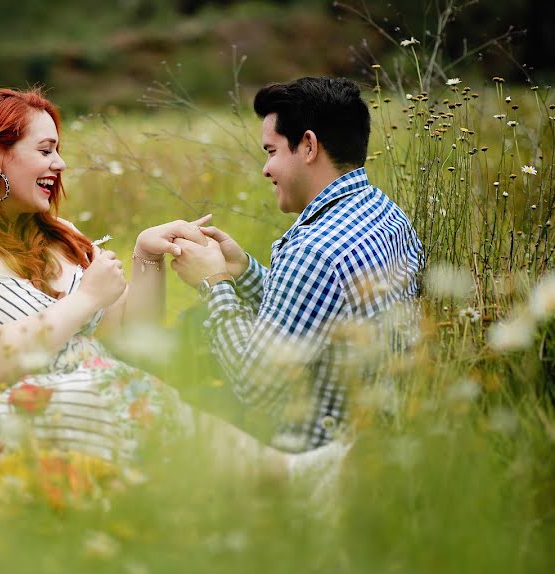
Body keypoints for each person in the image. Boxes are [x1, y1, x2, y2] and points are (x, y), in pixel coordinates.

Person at [0, 87, 286, 472]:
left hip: (99, 408)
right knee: (109, 396)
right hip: (2, 425)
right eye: (46, 150)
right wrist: (85, 299)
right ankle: (286, 473)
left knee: (129, 395)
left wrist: (146, 255)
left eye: (58, 150)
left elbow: (132, 337)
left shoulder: (60, 235)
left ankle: (285, 472)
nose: (60, 164)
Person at [170, 76, 424, 456]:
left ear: (308, 146)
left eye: (271, 151)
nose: (265, 169)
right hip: (389, 432)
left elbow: (255, 383)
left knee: (172, 402)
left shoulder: (315, 249)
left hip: (324, 452)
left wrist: (214, 283)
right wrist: (243, 270)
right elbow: (315, 308)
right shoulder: (385, 213)